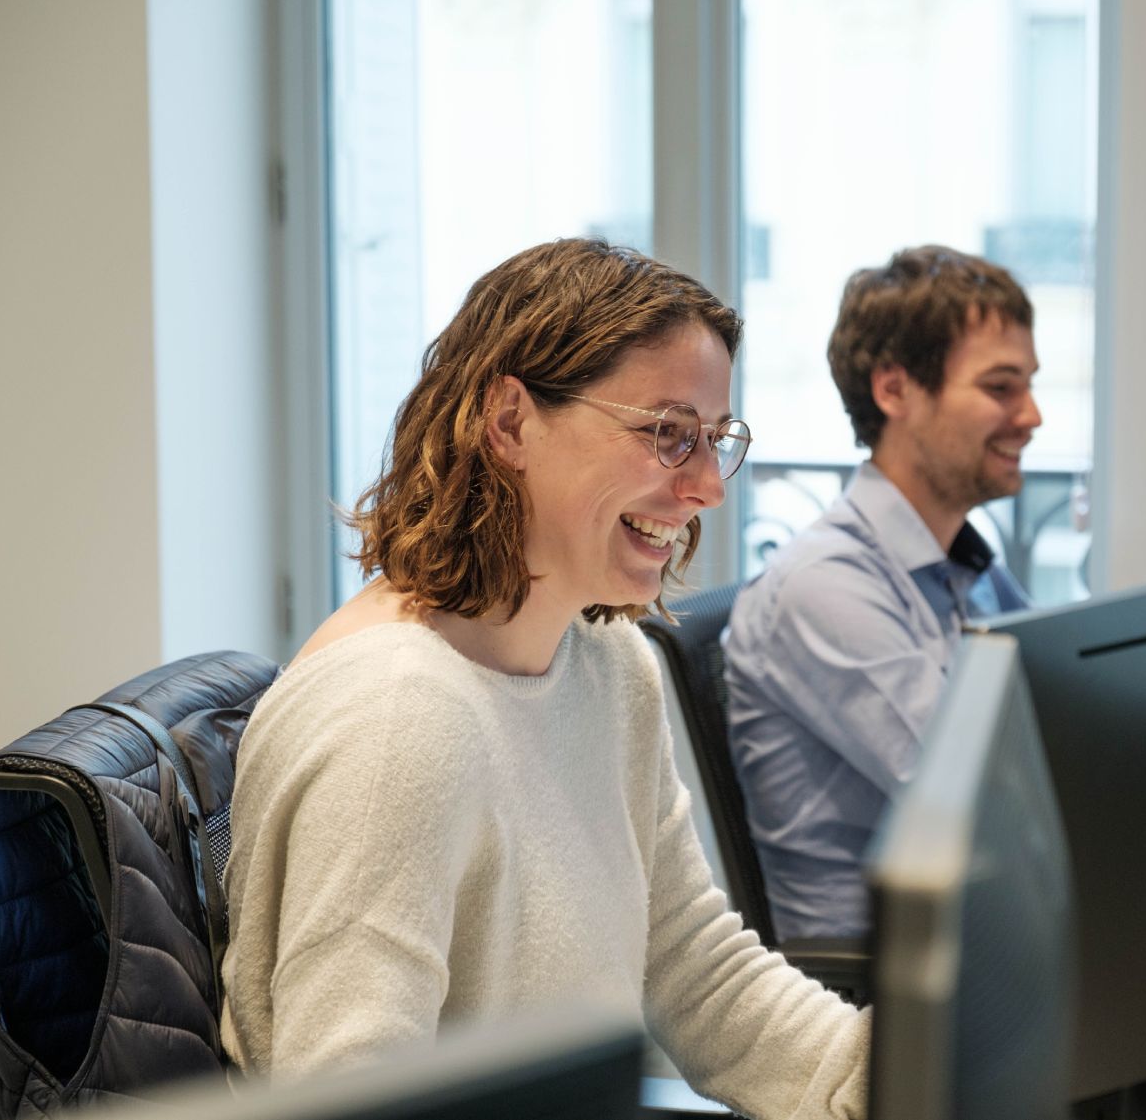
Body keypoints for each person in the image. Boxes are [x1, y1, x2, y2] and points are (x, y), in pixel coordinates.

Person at [220, 239, 868, 1119]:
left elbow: (695, 969)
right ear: (511, 421)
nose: (709, 487)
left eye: (715, 441)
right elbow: (345, 1098)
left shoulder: (604, 661)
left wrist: (896, 1074)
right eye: (669, 433)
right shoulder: (395, 722)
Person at [724, 245, 1040, 940]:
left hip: (981, 950)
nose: (1032, 415)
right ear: (894, 390)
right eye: (1001, 387)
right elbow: (991, 808)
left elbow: (1060, 723)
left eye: (1029, 385)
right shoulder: (824, 587)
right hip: (875, 998)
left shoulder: (972, 568)